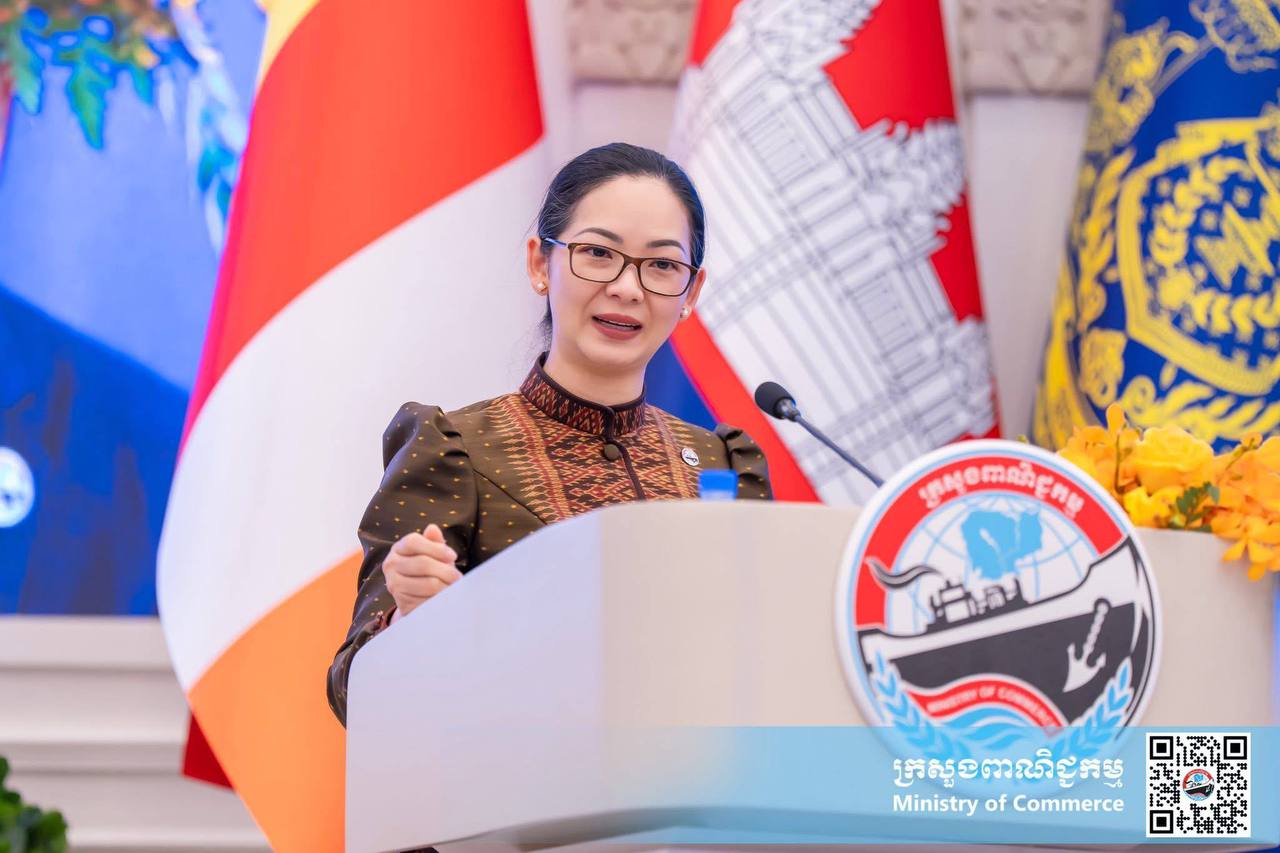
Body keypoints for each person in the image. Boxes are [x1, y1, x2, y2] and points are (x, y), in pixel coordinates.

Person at [326, 142, 774, 725]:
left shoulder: (723, 464)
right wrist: (410, 622)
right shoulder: (453, 449)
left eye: (663, 265)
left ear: (691, 291)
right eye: (598, 254)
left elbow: (769, 667)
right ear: (541, 263)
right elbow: (351, 694)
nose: (628, 288)